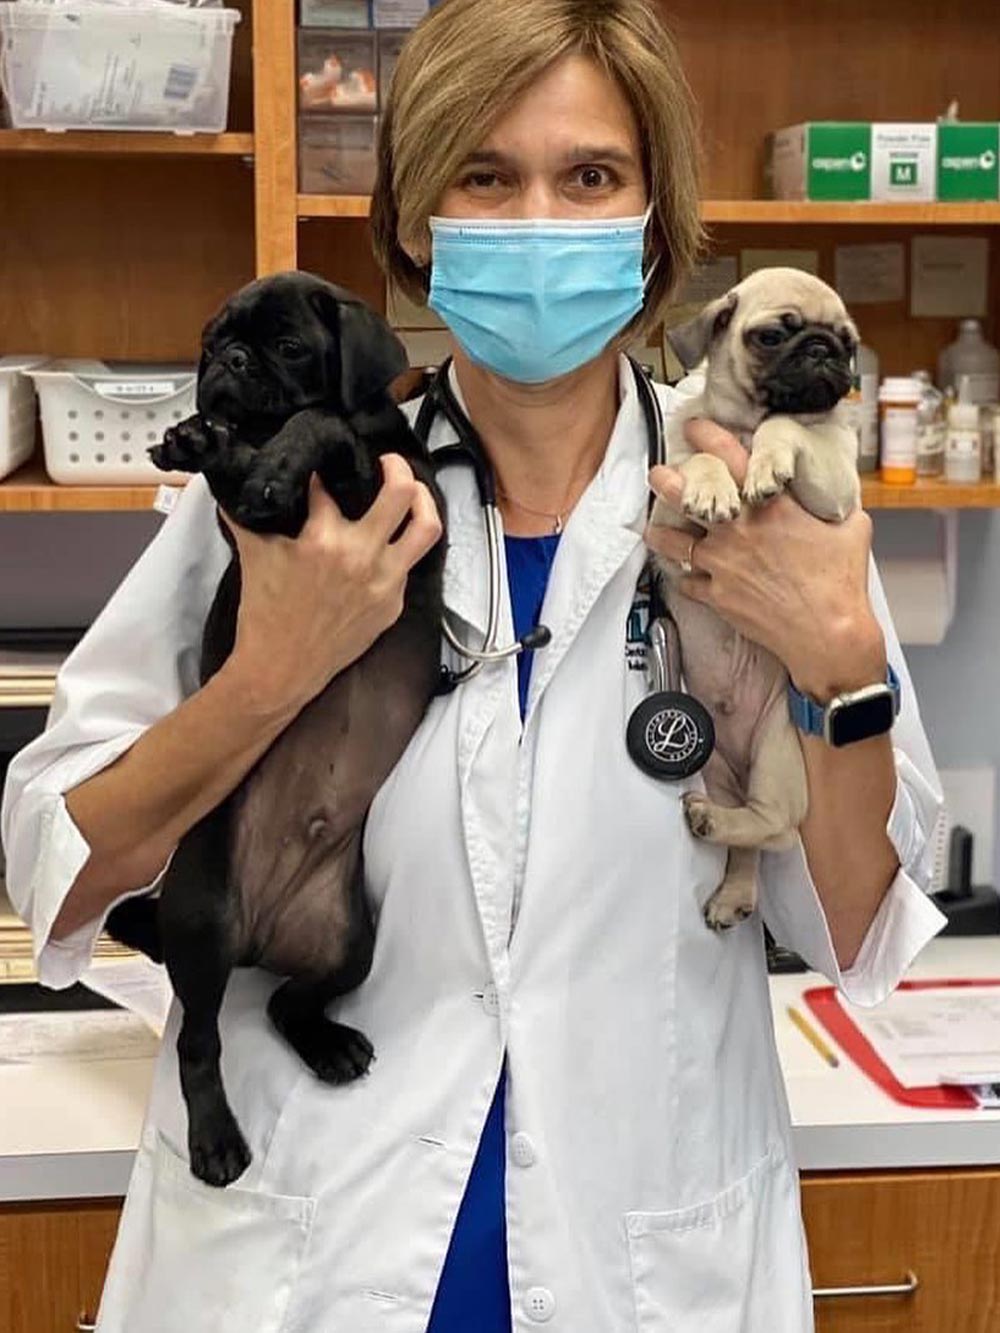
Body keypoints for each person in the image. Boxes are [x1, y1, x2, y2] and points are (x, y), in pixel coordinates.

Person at [1, 1, 946, 1329]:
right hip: (306, 1258)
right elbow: (59, 867)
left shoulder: (757, 501)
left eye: (592, 178)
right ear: (414, 221)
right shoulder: (294, 489)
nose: (541, 223)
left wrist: (841, 662)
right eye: (485, 177)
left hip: (638, 1268)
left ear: (659, 221)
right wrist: (269, 672)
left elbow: (858, 935)